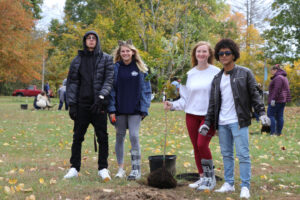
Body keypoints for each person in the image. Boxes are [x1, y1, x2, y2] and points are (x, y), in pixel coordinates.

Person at [198, 39, 270, 199]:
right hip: (222, 123)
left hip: (239, 121)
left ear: (233, 54)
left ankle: (245, 186)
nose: (223, 56)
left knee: (243, 154)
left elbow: (255, 96)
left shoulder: (245, 73)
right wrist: (207, 123)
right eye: (220, 53)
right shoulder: (217, 78)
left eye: (227, 53)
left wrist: (262, 113)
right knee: (226, 154)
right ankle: (229, 183)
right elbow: (212, 104)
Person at [164, 41, 220, 191]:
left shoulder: (216, 72)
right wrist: (172, 105)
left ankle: (210, 177)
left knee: (202, 144)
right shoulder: (188, 74)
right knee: (196, 147)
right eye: (198, 51)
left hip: (208, 116)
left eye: (204, 51)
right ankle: (202, 177)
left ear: (209, 54)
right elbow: (184, 99)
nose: (201, 54)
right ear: (195, 54)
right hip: (191, 115)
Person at [63, 31, 114, 181]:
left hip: (99, 105)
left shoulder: (106, 59)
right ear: (85, 41)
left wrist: (101, 96)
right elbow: (72, 83)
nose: (91, 41)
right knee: (77, 137)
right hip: (81, 105)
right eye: (88, 38)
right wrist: (72, 104)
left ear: (97, 41)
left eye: (94, 38)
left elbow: (109, 80)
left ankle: (103, 168)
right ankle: (74, 168)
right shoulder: (77, 60)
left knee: (102, 137)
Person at [108, 40, 152, 180]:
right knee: (119, 137)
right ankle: (120, 169)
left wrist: (144, 108)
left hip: (135, 109)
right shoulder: (115, 68)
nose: (125, 53)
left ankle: (135, 169)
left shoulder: (141, 68)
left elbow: (147, 90)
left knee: (134, 136)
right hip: (119, 109)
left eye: (128, 51)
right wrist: (112, 109)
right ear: (119, 53)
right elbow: (111, 90)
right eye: (123, 51)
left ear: (133, 52)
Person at [267, 64, 291, 136]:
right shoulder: (284, 77)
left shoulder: (278, 78)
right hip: (282, 100)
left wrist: (273, 99)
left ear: (275, 70)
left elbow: (277, 89)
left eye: (271, 70)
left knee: (270, 115)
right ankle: (278, 133)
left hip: (277, 100)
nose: (271, 72)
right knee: (279, 116)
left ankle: (273, 132)